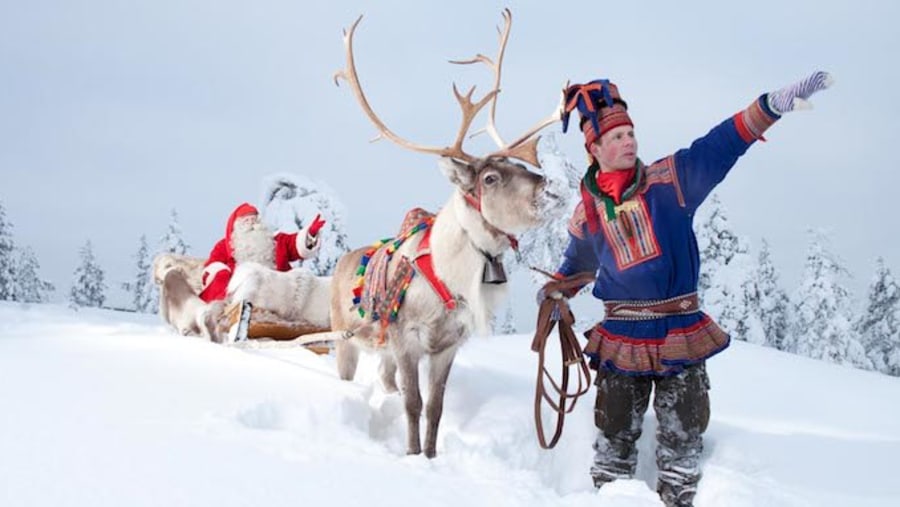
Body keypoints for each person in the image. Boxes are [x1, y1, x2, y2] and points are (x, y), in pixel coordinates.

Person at [541, 72, 832, 506]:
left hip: (680, 334)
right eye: (618, 136)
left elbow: (720, 145)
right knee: (613, 446)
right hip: (622, 339)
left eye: (631, 133)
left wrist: (769, 106)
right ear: (594, 150)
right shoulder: (588, 216)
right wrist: (555, 292)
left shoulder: (670, 183)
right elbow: (577, 268)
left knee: (682, 449)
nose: (629, 142)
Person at [199, 202, 326, 302]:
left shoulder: (277, 241)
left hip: (277, 293)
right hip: (240, 295)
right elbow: (212, 266)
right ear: (237, 226)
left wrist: (310, 233)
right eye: (246, 221)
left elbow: (295, 244)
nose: (252, 224)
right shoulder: (224, 246)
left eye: (254, 220)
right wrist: (221, 273)